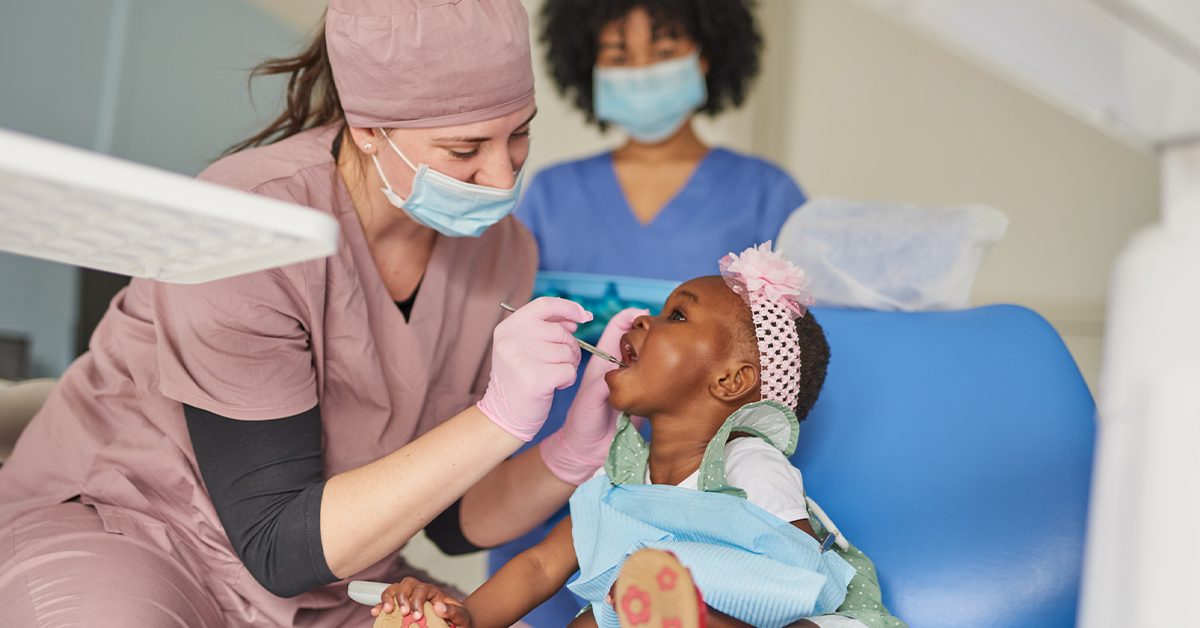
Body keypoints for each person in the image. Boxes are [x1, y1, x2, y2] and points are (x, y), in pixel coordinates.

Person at [0, 2, 636, 627]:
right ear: (367, 129)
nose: (500, 178)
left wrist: (568, 456)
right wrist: (498, 420)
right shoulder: (243, 224)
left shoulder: (503, 250)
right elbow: (278, 544)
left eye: (518, 133)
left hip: (331, 584)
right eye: (464, 147)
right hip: (137, 534)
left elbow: (451, 518)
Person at [374, 245, 909, 628]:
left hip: (800, 618)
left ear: (731, 381)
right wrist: (463, 616)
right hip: (648, 607)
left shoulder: (748, 464)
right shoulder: (619, 476)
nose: (642, 322)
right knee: (599, 615)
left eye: (676, 315)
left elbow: (796, 580)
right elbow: (540, 565)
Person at [515, 0, 805, 282]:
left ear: (704, 58)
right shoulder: (549, 194)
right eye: (619, 58)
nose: (641, 73)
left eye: (664, 52)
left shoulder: (767, 194)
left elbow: (800, 322)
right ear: (591, 68)